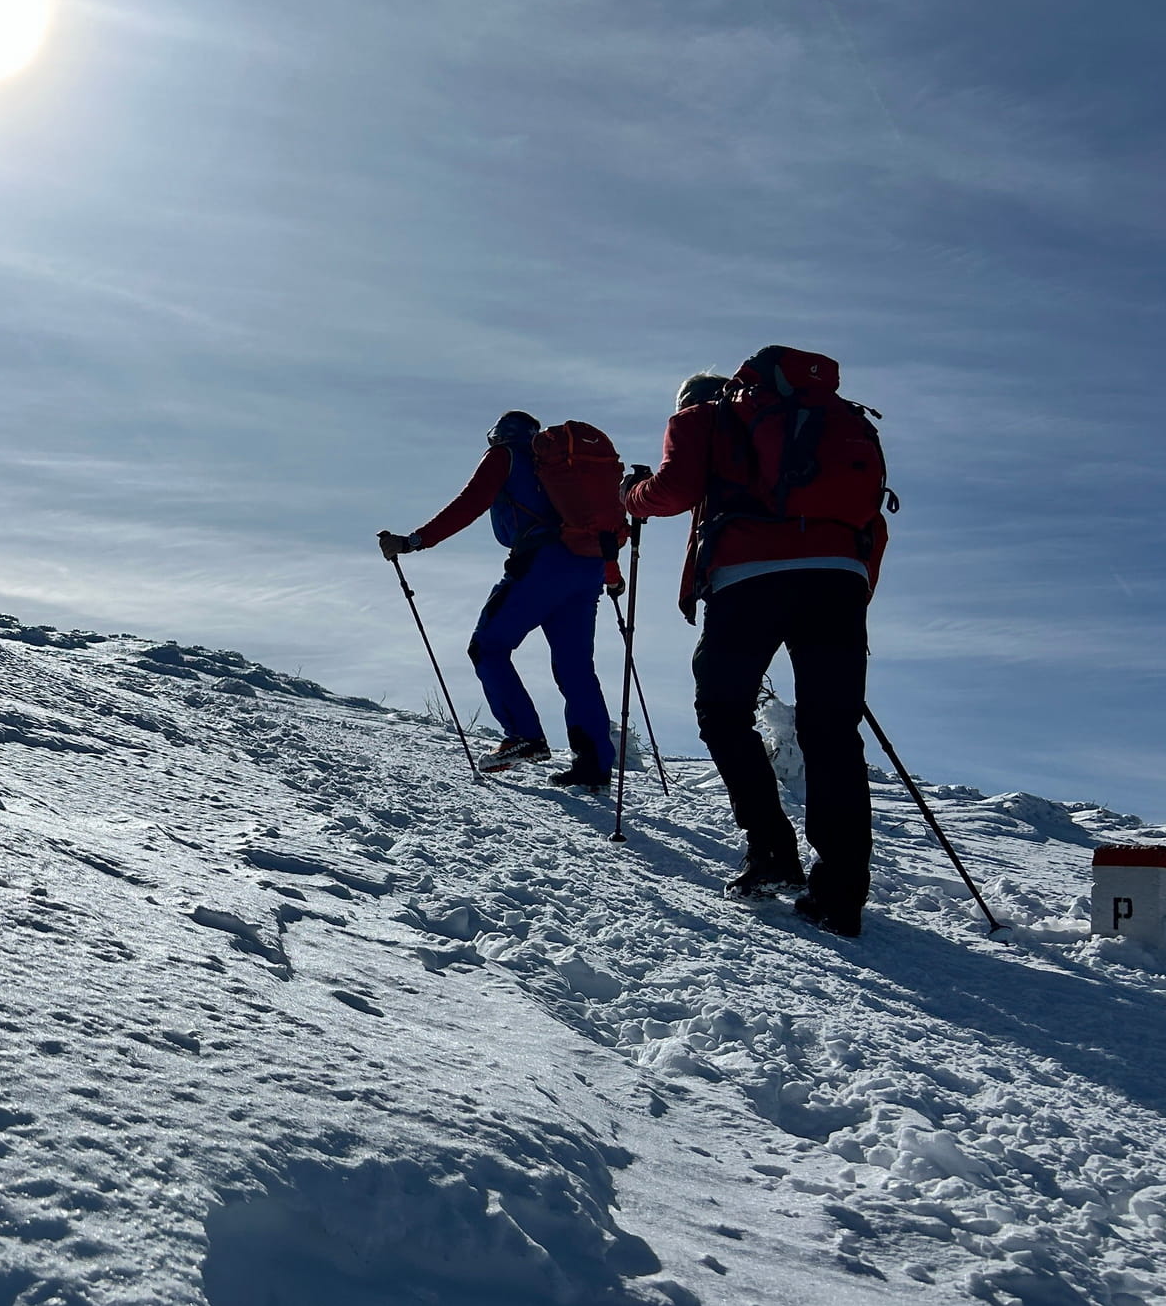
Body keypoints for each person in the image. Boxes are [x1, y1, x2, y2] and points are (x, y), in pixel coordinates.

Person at [624, 351, 888, 937]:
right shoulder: (834, 422)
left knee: (722, 712)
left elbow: (673, 491)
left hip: (750, 579)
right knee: (832, 729)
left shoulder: (702, 418)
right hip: (838, 581)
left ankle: (771, 850)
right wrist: (849, 593)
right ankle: (840, 896)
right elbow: (874, 521)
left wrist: (631, 495)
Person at [380, 412, 621, 789]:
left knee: (488, 647)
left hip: (541, 565)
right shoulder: (558, 467)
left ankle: (524, 735)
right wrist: (611, 575)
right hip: (586, 569)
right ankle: (594, 763)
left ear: (499, 436)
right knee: (575, 668)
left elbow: (470, 502)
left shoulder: (505, 456)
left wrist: (414, 541)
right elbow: (593, 525)